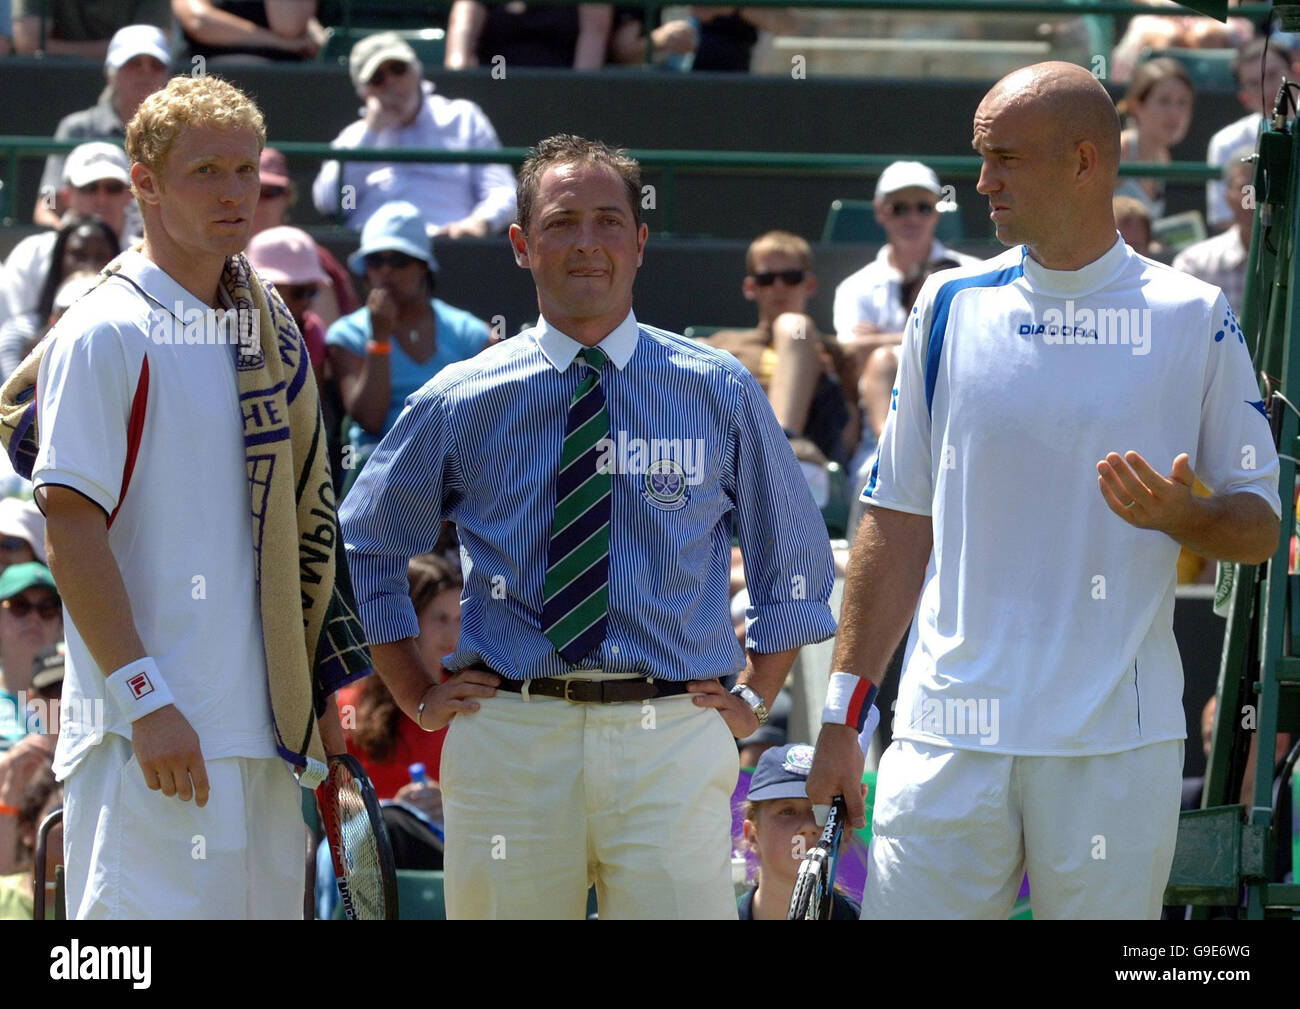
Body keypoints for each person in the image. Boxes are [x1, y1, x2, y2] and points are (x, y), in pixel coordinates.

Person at [807, 61, 1281, 921]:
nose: (981, 182)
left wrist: (1191, 518)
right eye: (981, 157)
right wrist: (843, 714)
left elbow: (1258, 522)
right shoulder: (945, 306)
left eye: (1006, 158)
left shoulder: (1194, 313)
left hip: (1114, 751)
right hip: (943, 737)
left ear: (1085, 161)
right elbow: (896, 518)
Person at [339, 133, 837, 919]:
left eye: (609, 221)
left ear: (640, 242)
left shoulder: (719, 389)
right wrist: (413, 692)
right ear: (520, 244)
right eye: (562, 221)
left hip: (674, 730)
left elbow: (795, 558)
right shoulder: (461, 396)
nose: (587, 243)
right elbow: (366, 540)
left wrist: (756, 691)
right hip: (510, 733)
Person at [5, 74, 370, 919]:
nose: (234, 192)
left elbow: (303, 533)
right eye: (206, 171)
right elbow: (70, 528)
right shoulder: (106, 329)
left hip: (267, 744)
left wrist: (318, 705)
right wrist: (146, 697)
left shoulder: (269, 330)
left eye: (245, 171)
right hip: (152, 739)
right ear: (145, 184)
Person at [327, 200, 491, 478]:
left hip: (454, 472)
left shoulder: (472, 334)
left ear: (423, 267)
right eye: (376, 260)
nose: (386, 271)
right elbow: (370, 420)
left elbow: (486, 424)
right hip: (375, 473)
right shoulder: (346, 336)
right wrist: (379, 338)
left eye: (400, 260)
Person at [313, 31, 518, 238]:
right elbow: (332, 203)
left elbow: (502, 191)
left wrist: (480, 223)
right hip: (376, 251)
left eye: (398, 69)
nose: (391, 82)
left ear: (417, 70)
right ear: (364, 92)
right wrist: (371, 132)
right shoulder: (354, 137)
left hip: (449, 245)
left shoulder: (463, 117)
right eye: (378, 78)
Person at [704, 231, 853, 465]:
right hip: (735, 455)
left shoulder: (834, 351)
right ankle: (778, 445)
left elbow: (852, 435)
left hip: (808, 464)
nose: (779, 287)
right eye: (767, 279)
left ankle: (782, 441)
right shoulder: (721, 344)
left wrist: (827, 373)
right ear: (750, 287)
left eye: (791, 277)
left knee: (794, 325)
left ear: (810, 284)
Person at [832, 161, 978, 362]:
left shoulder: (974, 272)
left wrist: (879, 340)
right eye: (900, 208)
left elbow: (981, 339)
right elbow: (850, 351)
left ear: (937, 211)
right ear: (879, 211)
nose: (913, 218)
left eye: (923, 208)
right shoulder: (853, 287)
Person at [34, 24, 169, 230]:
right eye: (134, 63)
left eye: (156, 65)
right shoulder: (76, 128)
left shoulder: (177, 134)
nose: (146, 72)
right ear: (110, 74)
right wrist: (73, 241)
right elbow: (48, 204)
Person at [4, 143, 137, 333]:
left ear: (129, 195)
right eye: (89, 188)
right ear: (66, 196)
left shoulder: (145, 256)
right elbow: (10, 334)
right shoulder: (30, 255)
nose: (101, 199)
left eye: (113, 188)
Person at [738, 742, 861, 920]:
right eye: (787, 811)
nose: (808, 826)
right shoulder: (716, 914)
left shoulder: (872, 915)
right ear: (752, 835)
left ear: (846, 833)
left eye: (822, 811)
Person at [0, 216, 120, 381]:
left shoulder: (133, 331)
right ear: (59, 261)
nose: (89, 265)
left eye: (100, 257)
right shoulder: (17, 336)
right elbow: (12, 403)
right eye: (79, 256)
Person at [252, 146, 357, 330]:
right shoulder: (212, 256)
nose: (259, 202)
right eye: (253, 191)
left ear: (287, 197)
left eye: (270, 192)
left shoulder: (313, 258)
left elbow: (320, 345)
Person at [1207, 39, 1292, 234]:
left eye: (1273, 76)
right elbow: (1223, 219)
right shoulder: (1226, 143)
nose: (1269, 90)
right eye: (1254, 84)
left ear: (1295, 72)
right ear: (1243, 97)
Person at [1173, 147, 1254, 318]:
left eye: (1262, 187)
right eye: (1245, 188)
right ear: (1227, 197)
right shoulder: (1194, 264)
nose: (1253, 198)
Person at [247, 224, 330, 387]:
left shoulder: (310, 329)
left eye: (312, 292)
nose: (306, 302)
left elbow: (311, 402)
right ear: (262, 287)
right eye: (297, 292)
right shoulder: (238, 327)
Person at [1115, 56, 1195, 220]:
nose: (1174, 114)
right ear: (1137, 106)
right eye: (1164, 101)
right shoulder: (1117, 152)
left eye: (1182, 102)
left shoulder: (1162, 157)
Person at [0, 563, 62, 751]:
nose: (34, 617)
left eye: (47, 608)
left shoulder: (79, 697)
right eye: (20, 606)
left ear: (61, 626)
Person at [444, 1, 613, 70]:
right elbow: (461, 33)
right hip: (498, 79)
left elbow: (587, 71)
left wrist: (573, 97)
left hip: (558, 86)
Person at [172, 0, 325, 65]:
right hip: (205, 74)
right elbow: (198, 21)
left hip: (279, 82)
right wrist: (283, 44)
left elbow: (289, 26)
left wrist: (287, 43)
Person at [11, 1, 169, 60]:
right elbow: (28, 45)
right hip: (54, 85)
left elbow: (156, 45)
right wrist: (121, 53)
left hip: (130, 83)